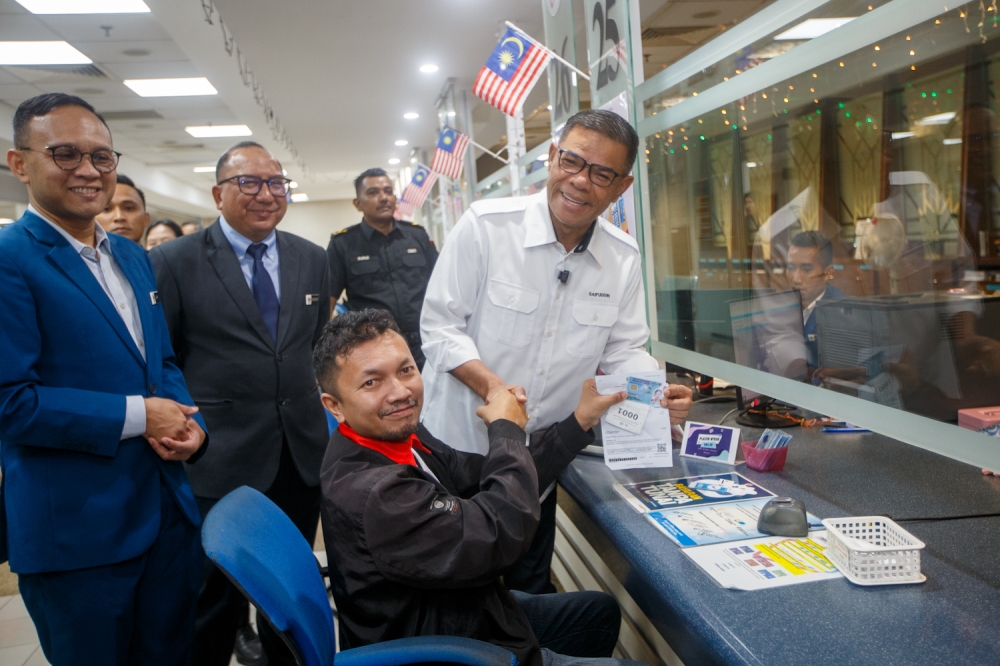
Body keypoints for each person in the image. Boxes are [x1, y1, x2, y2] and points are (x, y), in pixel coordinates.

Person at [420, 109, 693, 593]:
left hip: (536, 462)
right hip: (457, 451)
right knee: (451, 595)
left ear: (621, 187)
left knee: (526, 602)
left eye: (601, 173)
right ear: (552, 156)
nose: (580, 181)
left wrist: (654, 395)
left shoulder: (622, 258)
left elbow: (626, 347)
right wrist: (495, 390)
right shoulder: (487, 227)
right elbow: (440, 328)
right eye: (571, 161)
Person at [0, 92, 207, 664]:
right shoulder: (9, 259)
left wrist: (190, 426)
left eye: (102, 157)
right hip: (77, 538)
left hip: (165, 519)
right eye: (65, 154)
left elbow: (161, 362)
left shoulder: (131, 257)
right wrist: (142, 415)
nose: (89, 171)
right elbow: (11, 402)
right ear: (20, 164)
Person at [317, 310, 642, 666]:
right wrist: (506, 429)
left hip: (461, 610)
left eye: (405, 370)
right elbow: (499, 533)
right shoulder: (376, 494)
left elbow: (491, 475)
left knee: (598, 612)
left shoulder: (402, 439)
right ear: (335, 406)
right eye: (371, 383)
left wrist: (580, 420)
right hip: (450, 649)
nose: (400, 392)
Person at [150, 140, 331, 666]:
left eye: (276, 183)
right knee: (213, 601)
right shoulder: (172, 261)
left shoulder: (312, 259)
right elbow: (164, 358)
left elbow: (318, 353)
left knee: (288, 601)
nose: (266, 194)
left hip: (300, 457)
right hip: (217, 459)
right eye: (248, 183)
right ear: (218, 193)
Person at [327, 167, 438, 369]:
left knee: (436, 399)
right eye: (373, 193)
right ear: (358, 204)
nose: (383, 197)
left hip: (425, 342)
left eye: (388, 191)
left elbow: (441, 284)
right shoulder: (343, 244)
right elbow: (329, 299)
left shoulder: (417, 235)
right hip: (372, 346)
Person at [786, 230, 845, 369]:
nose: (796, 279)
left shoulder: (841, 316)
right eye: (790, 268)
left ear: (828, 273)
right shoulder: (783, 306)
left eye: (806, 270)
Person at [96, 172, 150, 244]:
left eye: (129, 208)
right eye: (106, 209)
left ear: (146, 219)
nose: (119, 217)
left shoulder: (157, 255)